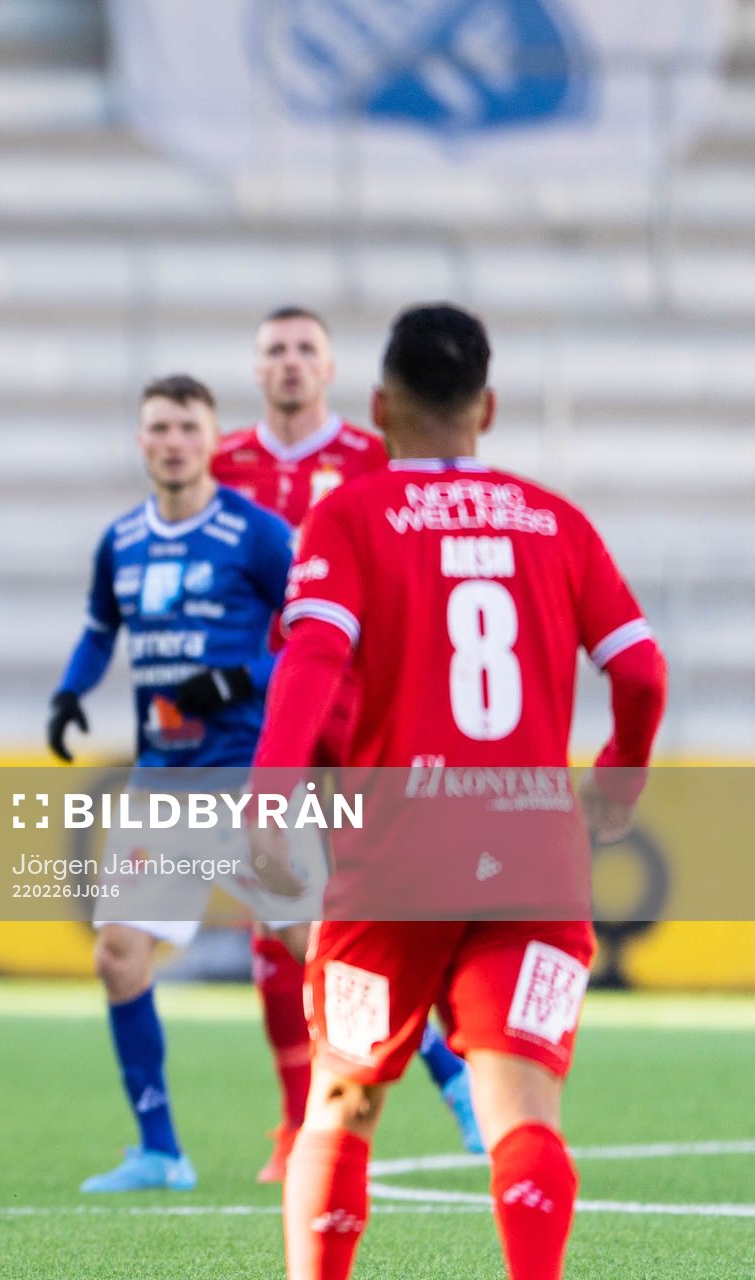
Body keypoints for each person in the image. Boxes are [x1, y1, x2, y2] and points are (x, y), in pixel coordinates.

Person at [249, 304, 666, 1280]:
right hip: (532, 856)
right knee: (522, 1114)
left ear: (378, 406)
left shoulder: (351, 516)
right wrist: (619, 776)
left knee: (343, 1100)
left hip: (397, 858)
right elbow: (641, 670)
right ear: (489, 407)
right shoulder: (555, 521)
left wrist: (270, 798)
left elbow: (312, 658)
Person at [213, 306, 479, 1180]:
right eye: (276, 350)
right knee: (275, 921)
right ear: (257, 369)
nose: (290, 363)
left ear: (331, 371)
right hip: (269, 713)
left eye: (306, 349)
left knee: (391, 907)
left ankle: (454, 1071)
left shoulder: (374, 457)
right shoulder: (223, 465)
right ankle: (302, 1126)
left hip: (365, 706)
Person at [46, 374, 322, 1193]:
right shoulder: (122, 540)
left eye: (187, 428)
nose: (172, 442)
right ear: (142, 440)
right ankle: (161, 1150)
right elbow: (100, 630)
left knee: (324, 952)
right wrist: (70, 691)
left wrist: (240, 679)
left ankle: (451, 1077)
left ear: (212, 440)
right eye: (159, 428)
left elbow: (313, 635)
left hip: (248, 781)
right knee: (118, 954)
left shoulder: (258, 534)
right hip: (161, 784)